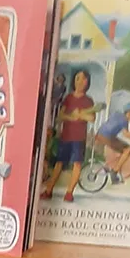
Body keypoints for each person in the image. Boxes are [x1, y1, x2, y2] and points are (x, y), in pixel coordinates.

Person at [41, 69, 95, 202]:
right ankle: (49, 190)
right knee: (59, 163)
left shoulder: (88, 100)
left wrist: (80, 114)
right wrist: (72, 117)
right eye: (77, 78)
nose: (80, 82)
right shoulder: (68, 98)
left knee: (77, 164)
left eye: (83, 79)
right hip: (66, 136)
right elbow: (61, 116)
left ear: (87, 82)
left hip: (79, 138)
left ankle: (69, 192)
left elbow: (92, 118)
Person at [95, 101, 130, 184]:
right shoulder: (124, 121)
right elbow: (127, 134)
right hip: (106, 137)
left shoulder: (117, 114)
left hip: (101, 134)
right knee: (128, 149)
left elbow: (127, 135)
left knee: (122, 150)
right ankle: (114, 172)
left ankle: (108, 167)